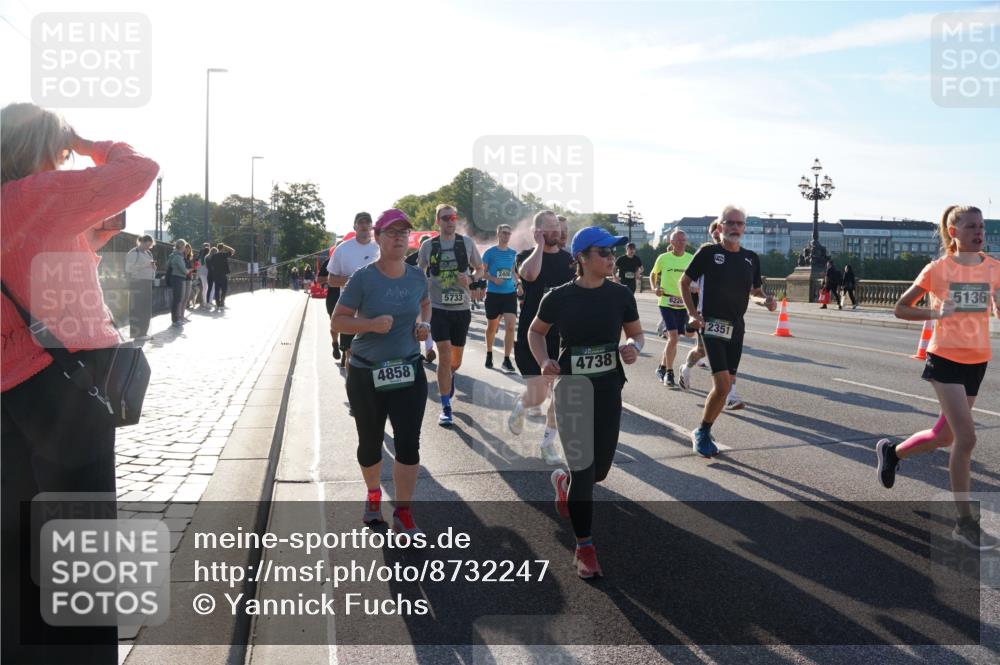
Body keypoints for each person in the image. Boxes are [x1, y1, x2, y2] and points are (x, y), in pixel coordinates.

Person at [1, 102, 158, 664]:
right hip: (63, 385)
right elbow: (140, 171)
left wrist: (85, 243)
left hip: (9, 390)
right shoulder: (34, 194)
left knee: (20, 535)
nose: (66, 162)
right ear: (36, 148)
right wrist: (91, 142)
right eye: (60, 151)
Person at [875, 205, 1000, 550]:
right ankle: (965, 522)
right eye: (972, 226)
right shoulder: (937, 269)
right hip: (944, 359)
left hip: (978, 361)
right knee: (967, 438)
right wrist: (936, 311)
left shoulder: (994, 269)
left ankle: (893, 452)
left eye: (982, 227)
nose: (979, 232)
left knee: (943, 436)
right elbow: (901, 308)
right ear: (953, 231)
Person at [532, 226, 642, 579]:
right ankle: (585, 547)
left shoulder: (621, 294)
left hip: (609, 388)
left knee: (599, 472)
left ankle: (563, 482)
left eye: (612, 253)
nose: (611, 258)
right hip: (572, 391)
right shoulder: (558, 297)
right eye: (603, 253)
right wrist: (544, 361)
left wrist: (633, 348)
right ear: (581, 258)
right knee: (584, 470)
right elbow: (536, 331)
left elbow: (636, 333)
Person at [332, 209, 431, 535]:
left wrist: (423, 325)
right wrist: (370, 325)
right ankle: (374, 494)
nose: (399, 237)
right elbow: (338, 321)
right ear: (377, 237)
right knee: (370, 444)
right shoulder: (363, 277)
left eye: (404, 232)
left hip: (408, 370)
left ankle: (403, 511)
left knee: (408, 445)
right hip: (366, 374)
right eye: (391, 232)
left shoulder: (417, 276)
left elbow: (425, 303)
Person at [680, 205, 776, 457]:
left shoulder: (750, 258)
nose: (735, 227)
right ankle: (702, 430)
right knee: (723, 385)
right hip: (710, 325)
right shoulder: (708, 253)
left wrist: (765, 301)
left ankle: (705, 428)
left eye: (740, 223)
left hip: (736, 327)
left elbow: (754, 292)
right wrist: (692, 313)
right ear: (720, 226)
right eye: (730, 223)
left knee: (726, 386)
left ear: (744, 228)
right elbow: (684, 281)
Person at [509, 210, 576, 464]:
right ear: (538, 231)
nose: (557, 232)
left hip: (561, 337)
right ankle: (522, 405)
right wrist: (539, 247)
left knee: (560, 396)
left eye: (558, 228)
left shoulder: (569, 260)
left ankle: (548, 444)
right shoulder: (525, 256)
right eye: (551, 228)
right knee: (538, 394)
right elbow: (529, 276)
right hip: (533, 335)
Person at [417, 204, 484, 427]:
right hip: (438, 308)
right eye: (445, 218)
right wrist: (421, 288)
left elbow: (480, 268)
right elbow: (419, 271)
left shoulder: (466, 243)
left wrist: (472, 279)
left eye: (453, 217)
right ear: (438, 221)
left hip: (461, 309)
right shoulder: (428, 246)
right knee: (444, 356)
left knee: (455, 362)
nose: (450, 221)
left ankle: (450, 376)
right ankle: (446, 407)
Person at [327, 212, 379, 370]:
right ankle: (353, 390)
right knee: (351, 353)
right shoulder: (343, 249)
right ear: (354, 226)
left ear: (372, 226)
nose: (364, 226)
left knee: (376, 353)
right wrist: (353, 281)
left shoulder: (380, 247)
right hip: (350, 310)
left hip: (375, 308)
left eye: (367, 223)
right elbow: (331, 280)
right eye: (361, 223)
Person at [649, 230, 693, 387]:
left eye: (683, 240)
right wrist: (655, 288)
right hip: (666, 302)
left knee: (674, 340)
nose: (681, 243)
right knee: (673, 338)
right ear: (671, 242)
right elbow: (653, 274)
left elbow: (696, 279)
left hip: (683, 304)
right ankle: (669, 373)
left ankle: (661, 367)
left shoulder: (691, 259)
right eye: (678, 240)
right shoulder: (663, 258)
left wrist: (694, 289)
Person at [482, 224, 518, 372]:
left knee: (510, 327)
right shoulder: (490, 253)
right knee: (492, 327)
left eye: (509, 234)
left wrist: (519, 283)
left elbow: (513, 272)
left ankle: (506, 359)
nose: (506, 236)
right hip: (493, 295)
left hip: (509, 294)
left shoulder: (513, 253)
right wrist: (493, 278)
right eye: (504, 233)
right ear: (498, 234)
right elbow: (481, 272)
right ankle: (489, 353)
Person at [124, 234, 156, 338]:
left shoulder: (149, 253)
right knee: (137, 308)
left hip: (147, 282)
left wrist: (153, 267)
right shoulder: (133, 253)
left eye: (150, 245)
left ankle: (143, 332)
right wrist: (145, 265)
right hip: (137, 282)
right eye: (147, 244)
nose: (149, 247)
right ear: (141, 242)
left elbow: (150, 266)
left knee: (146, 308)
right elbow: (128, 268)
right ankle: (136, 333)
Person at [166, 239, 189, 328]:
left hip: (174, 278)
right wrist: (187, 271)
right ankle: (175, 320)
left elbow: (168, 265)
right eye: (184, 246)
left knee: (176, 299)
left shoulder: (172, 255)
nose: (185, 248)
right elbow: (183, 270)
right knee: (177, 299)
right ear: (182, 246)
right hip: (178, 278)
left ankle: (175, 319)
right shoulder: (178, 257)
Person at [209, 242, 235, 308]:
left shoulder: (214, 256)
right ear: (223, 248)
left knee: (217, 289)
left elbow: (211, 265)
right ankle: (222, 302)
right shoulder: (224, 254)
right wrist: (225, 246)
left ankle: (218, 303)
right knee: (224, 289)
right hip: (223, 275)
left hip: (216, 275)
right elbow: (233, 251)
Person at [195, 243, 211, 308]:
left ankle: (203, 302)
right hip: (204, 273)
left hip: (202, 273)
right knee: (205, 288)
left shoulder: (200, 255)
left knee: (204, 288)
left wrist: (197, 273)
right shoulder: (204, 255)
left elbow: (196, 265)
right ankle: (204, 302)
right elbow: (199, 265)